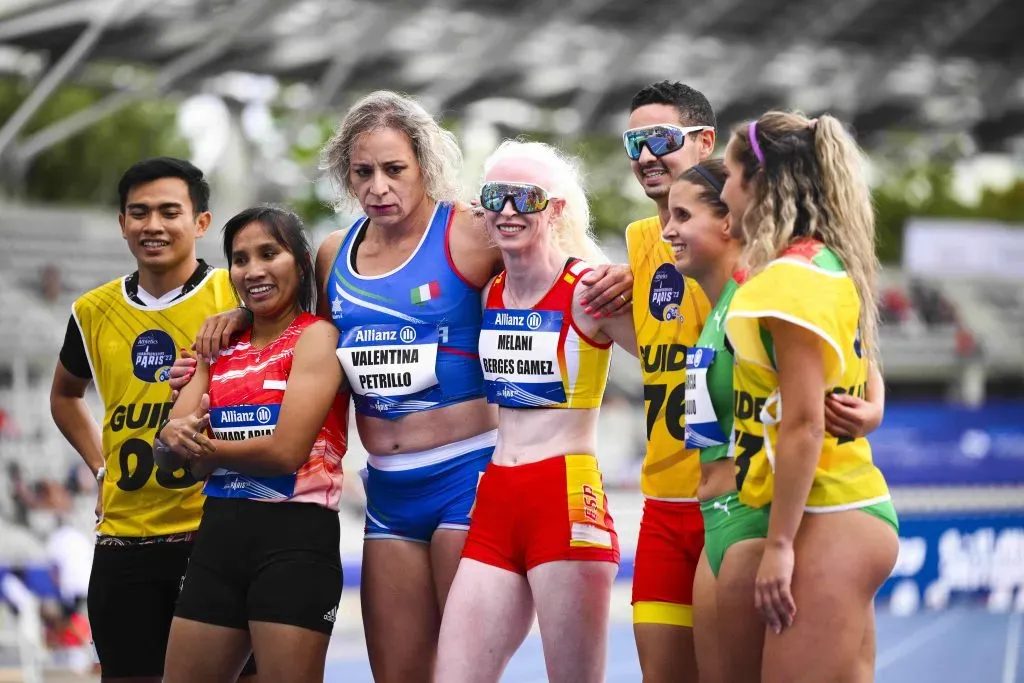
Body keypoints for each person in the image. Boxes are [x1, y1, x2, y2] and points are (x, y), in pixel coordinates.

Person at [170, 91, 632, 682]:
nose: (378, 187)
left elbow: (549, 249)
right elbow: (299, 328)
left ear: (424, 165)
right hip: (387, 490)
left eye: (394, 170)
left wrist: (615, 273)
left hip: (468, 477)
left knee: (464, 670)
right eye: (363, 172)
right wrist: (237, 318)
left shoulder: (470, 231)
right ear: (345, 174)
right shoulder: (335, 253)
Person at [661, 160, 886, 683]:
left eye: (681, 214)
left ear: (726, 221)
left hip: (752, 517)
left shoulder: (759, 290)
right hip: (713, 518)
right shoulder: (716, 306)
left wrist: (871, 409)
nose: (667, 228)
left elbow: (855, 354)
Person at [435, 140, 637, 683]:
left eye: (525, 197)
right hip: (497, 498)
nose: (507, 210)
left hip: (565, 498)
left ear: (556, 209)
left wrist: (650, 282)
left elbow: (673, 352)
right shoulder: (490, 291)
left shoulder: (588, 288)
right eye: (495, 196)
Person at [49, 157, 257, 682]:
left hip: (216, 534)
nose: (153, 225)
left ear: (201, 223)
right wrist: (100, 467)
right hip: (126, 540)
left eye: (169, 211)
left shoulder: (236, 297)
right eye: (138, 213)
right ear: (122, 223)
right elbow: (65, 395)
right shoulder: (92, 311)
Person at [719, 111, 899, 683]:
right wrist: (874, 406)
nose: (722, 191)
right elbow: (864, 365)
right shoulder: (827, 264)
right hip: (850, 508)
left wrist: (779, 546)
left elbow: (802, 426)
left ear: (759, 183)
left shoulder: (788, 283)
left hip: (828, 512)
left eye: (728, 175)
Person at [155, 206, 347, 683]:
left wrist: (192, 445)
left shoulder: (318, 337)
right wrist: (169, 438)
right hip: (218, 538)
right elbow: (174, 456)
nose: (254, 270)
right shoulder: (216, 346)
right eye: (240, 259)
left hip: (295, 543)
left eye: (268, 253)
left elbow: (284, 453)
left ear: (300, 262)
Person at [620, 81, 715, 682]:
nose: (647, 154)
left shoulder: (745, 243)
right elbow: (657, 354)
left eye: (661, 137)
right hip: (660, 505)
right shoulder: (637, 242)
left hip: (727, 505)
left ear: (705, 143)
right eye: (635, 141)